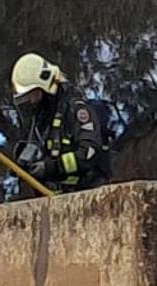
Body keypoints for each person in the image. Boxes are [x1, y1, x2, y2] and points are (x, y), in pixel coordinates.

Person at [9, 53, 113, 194]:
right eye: (24, 98)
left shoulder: (76, 111)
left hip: (88, 194)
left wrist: (50, 167)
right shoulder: (41, 121)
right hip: (57, 199)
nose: (29, 102)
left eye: (32, 95)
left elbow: (88, 154)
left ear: (45, 87)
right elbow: (39, 149)